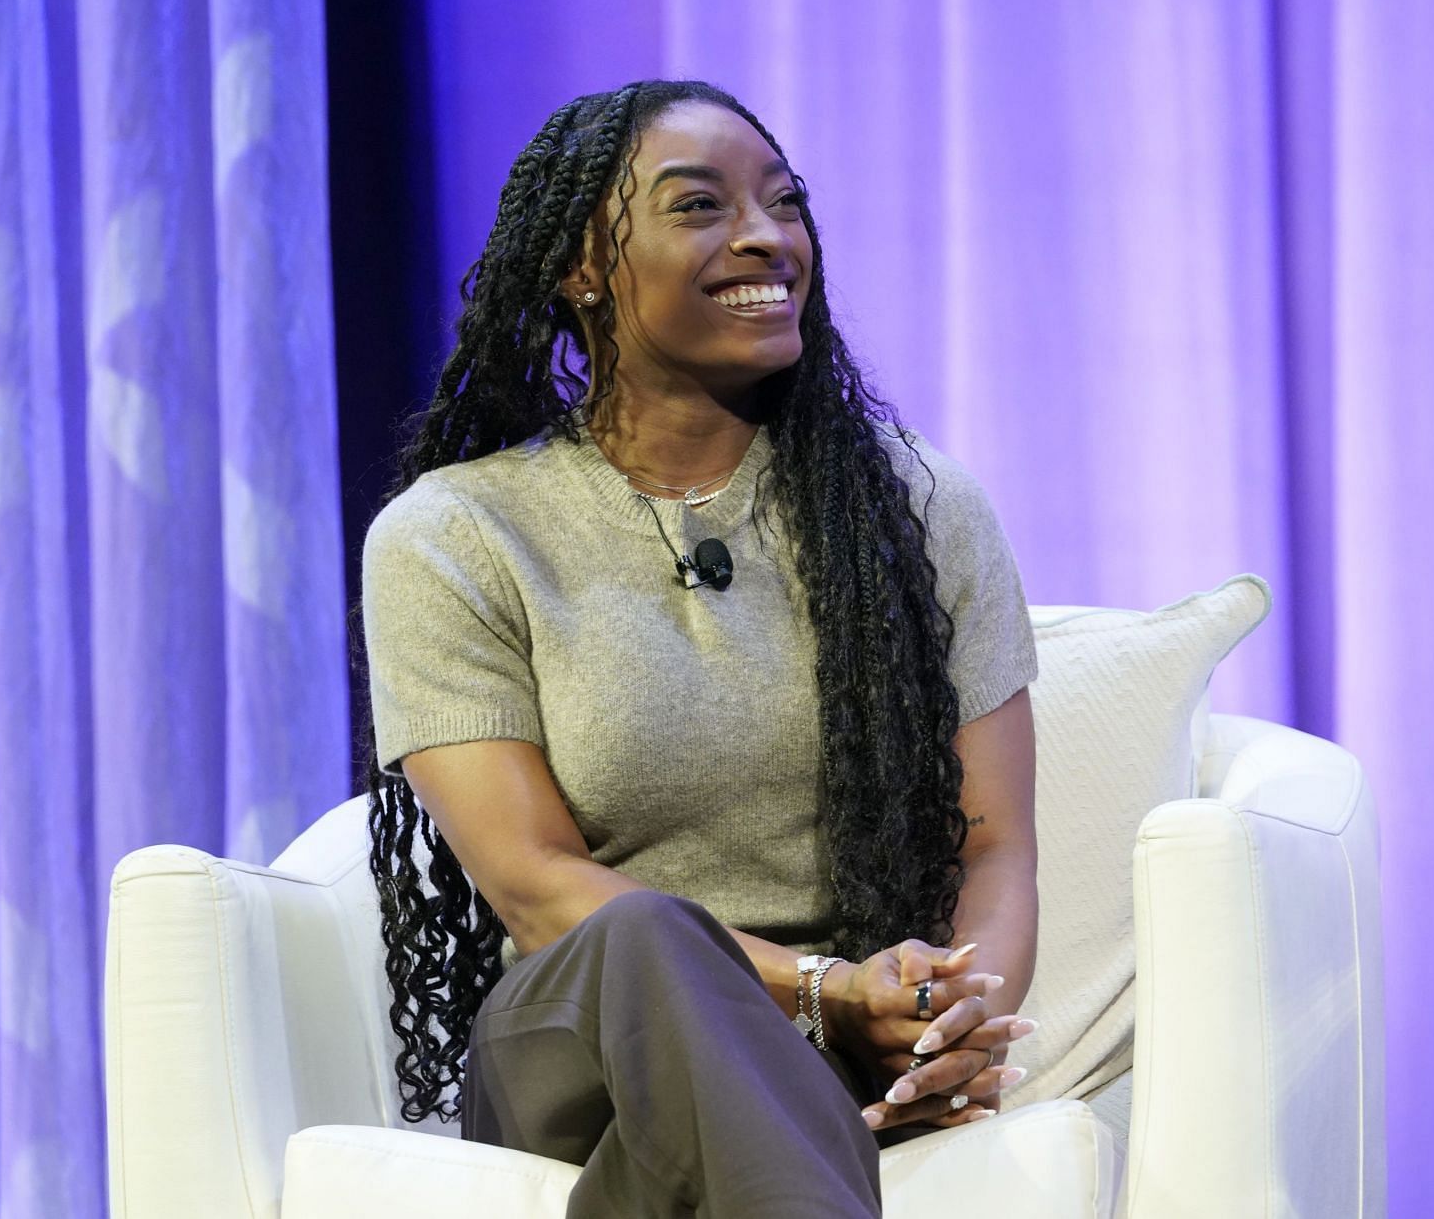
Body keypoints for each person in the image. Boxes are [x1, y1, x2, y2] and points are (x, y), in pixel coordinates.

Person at [360, 78, 1041, 1217]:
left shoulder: (920, 510)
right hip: (571, 1033)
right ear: (582, 265)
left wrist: (948, 1019)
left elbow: (996, 843)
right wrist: (821, 988)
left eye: (785, 202)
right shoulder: (455, 536)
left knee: (701, 1140)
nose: (766, 235)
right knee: (648, 931)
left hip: (831, 1050)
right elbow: (535, 885)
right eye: (699, 206)